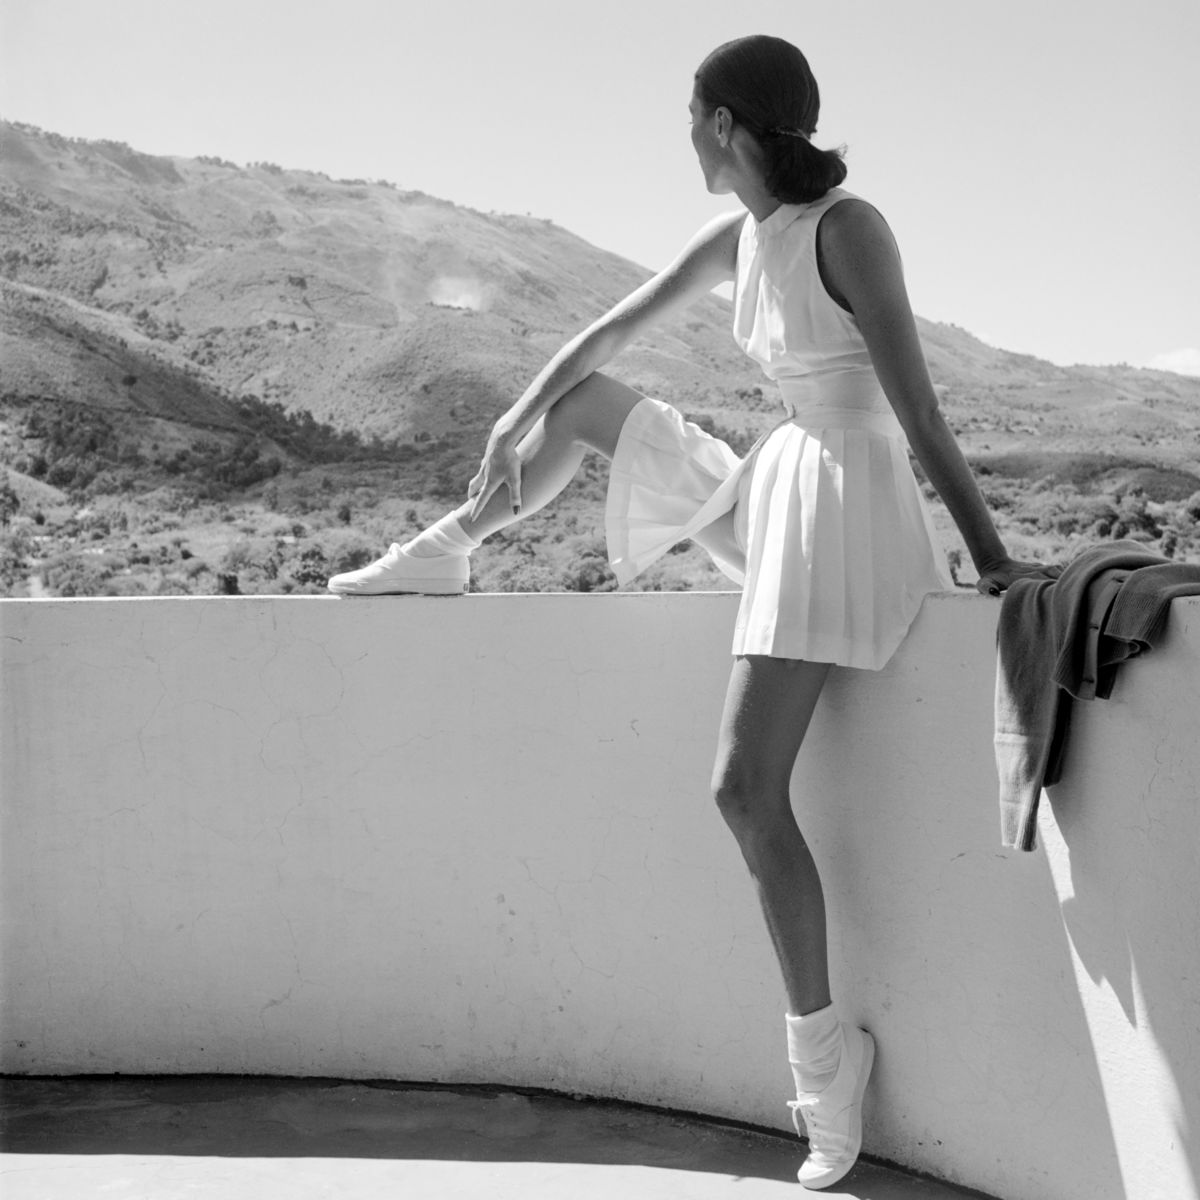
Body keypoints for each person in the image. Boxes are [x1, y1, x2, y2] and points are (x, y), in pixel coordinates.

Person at [329, 34, 1052, 1190]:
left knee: (740, 786)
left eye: (689, 115)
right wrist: (514, 417)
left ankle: (827, 1067)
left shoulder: (849, 231)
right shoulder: (741, 237)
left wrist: (994, 559)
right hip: (782, 486)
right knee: (590, 405)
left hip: (846, 502)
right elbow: (607, 335)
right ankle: (447, 550)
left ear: (724, 125)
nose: (683, 134)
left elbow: (917, 408)